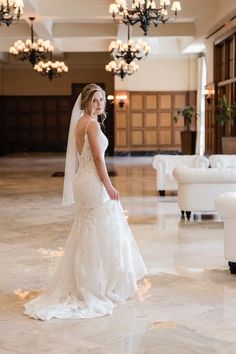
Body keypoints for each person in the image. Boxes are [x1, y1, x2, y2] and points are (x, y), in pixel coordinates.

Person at [24, 83, 147, 320]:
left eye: (102, 100)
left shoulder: (81, 123)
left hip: (83, 180)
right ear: (86, 103)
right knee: (101, 228)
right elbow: (99, 161)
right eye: (95, 100)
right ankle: (96, 285)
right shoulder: (90, 124)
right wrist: (109, 185)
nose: (100, 104)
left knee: (88, 229)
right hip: (92, 182)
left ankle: (84, 281)